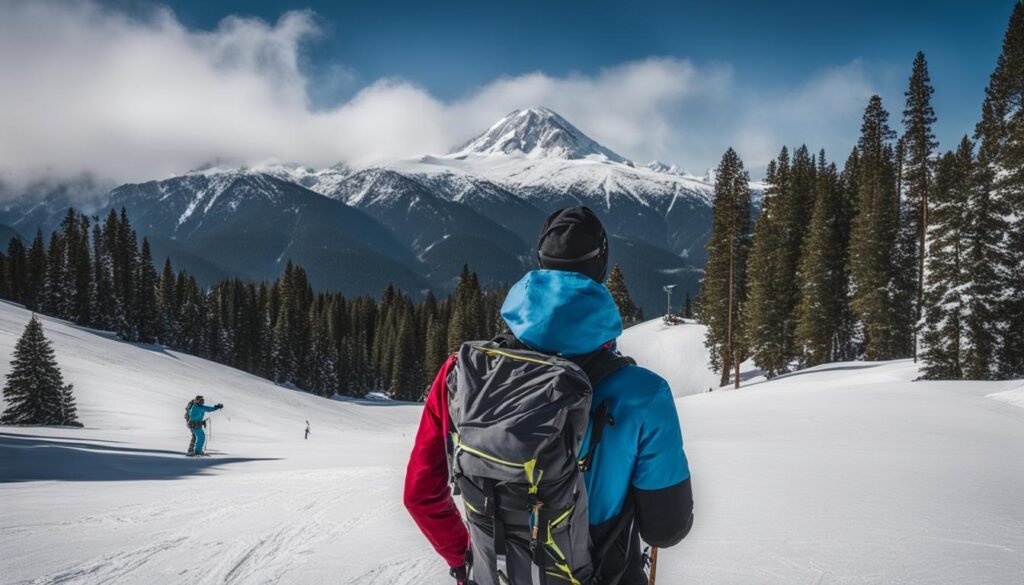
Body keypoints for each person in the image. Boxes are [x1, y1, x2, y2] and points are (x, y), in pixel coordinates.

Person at [404, 207, 694, 585]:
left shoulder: (459, 374)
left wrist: (467, 560)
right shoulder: (644, 393)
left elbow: (419, 494)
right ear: (602, 269)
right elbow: (665, 530)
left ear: (539, 263)